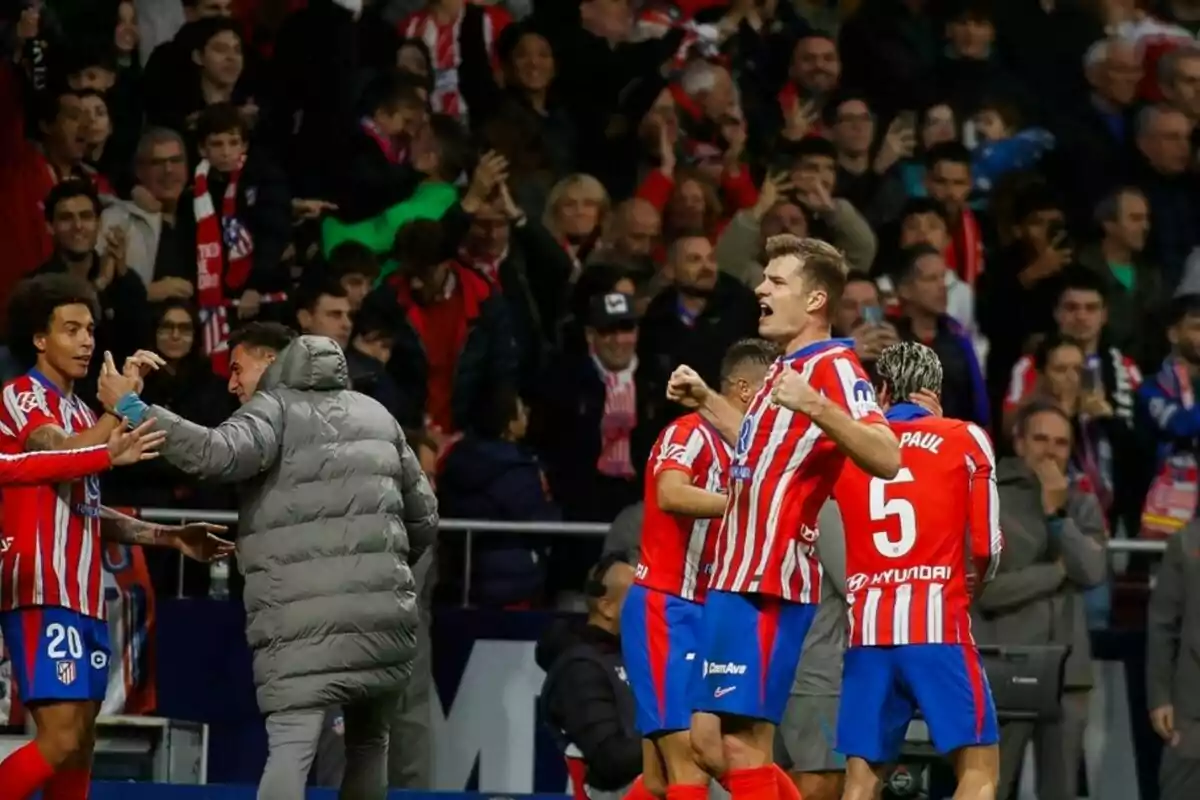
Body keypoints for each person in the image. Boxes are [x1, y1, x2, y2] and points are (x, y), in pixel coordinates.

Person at [96, 324, 439, 800]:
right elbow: (425, 516)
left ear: (273, 362)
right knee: (369, 744)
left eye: (238, 369)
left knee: (291, 748)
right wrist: (384, 573)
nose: (232, 384)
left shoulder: (274, 409)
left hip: (302, 622)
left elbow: (215, 455)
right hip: (385, 618)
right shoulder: (378, 414)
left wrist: (131, 407)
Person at [666, 234, 900, 800]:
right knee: (706, 741)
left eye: (776, 282)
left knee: (737, 744)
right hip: (733, 576)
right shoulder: (783, 370)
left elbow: (886, 455)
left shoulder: (834, 368)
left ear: (815, 300)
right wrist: (707, 402)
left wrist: (817, 405)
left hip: (768, 580)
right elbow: (758, 451)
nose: (760, 289)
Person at [0, 274, 233, 800]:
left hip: (85, 596)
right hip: (41, 587)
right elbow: (55, 455)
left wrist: (167, 537)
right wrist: (115, 409)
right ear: (40, 338)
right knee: (58, 740)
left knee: (81, 742)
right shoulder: (20, 396)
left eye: (90, 329)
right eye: (71, 329)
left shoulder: (84, 412)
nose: (86, 340)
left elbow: (87, 506)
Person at [831, 341, 1003, 800]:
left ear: (881, 391)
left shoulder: (848, 450)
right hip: (937, 626)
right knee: (978, 767)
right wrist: (976, 585)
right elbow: (986, 544)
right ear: (935, 391)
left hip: (867, 632)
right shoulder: (964, 437)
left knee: (862, 778)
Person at [622, 339, 777, 800]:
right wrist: (740, 506)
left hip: (715, 615)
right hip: (668, 609)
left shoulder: (753, 453)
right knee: (690, 763)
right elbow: (671, 493)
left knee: (664, 776)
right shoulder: (690, 432)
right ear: (747, 390)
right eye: (775, 389)